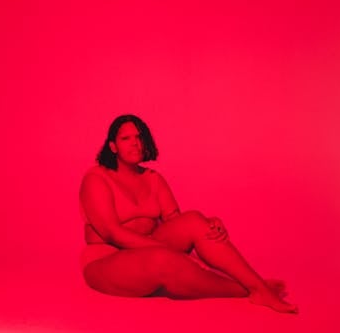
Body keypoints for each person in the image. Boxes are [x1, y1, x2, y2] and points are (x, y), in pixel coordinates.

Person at [79, 114, 298, 314]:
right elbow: (112, 233)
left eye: (139, 137)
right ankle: (248, 289)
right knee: (162, 258)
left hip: (147, 249)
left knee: (193, 219)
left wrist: (207, 223)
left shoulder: (154, 178)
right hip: (106, 262)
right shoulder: (97, 179)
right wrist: (169, 251)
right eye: (126, 138)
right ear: (113, 146)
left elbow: (177, 222)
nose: (135, 143)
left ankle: (258, 288)